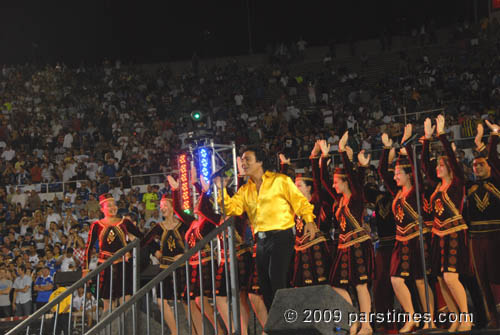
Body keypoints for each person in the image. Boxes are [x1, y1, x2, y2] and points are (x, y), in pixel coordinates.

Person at [215, 146, 317, 310]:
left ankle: (287, 319)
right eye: (242, 161)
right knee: (265, 285)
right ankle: (277, 322)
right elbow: (231, 209)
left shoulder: (280, 180)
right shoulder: (245, 190)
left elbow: (300, 201)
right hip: (261, 240)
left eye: (247, 159)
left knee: (276, 277)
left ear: (260, 161)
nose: (243, 163)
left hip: (281, 235)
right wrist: (221, 191)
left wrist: (309, 221)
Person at [379, 126, 436, 331]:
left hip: (416, 239)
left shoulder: (415, 190)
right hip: (400, 241)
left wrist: (406, 145)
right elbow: (380, 171)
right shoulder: (398, 191)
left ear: (409, 176)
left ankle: (429, 319)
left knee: (421, 282)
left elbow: (416, 165)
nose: (394, 177)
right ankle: (412, 316)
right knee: (396, 279)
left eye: (398, 174)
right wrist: (386, 149)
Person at [320, 132, 374, 335]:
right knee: (336, 285)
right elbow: (323, 182)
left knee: (361, 285)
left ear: (345, 182)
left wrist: (342, 152)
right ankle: (353, 321)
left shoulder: (357, 197)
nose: (333, 185)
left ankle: (366, 325)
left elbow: (353, 176)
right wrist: (323, 158)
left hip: (358, 244)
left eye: (337, 182)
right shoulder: (339, 199)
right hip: (343, 246)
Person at [422, 115, 472, 332]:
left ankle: (466, 317)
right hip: (438, 235)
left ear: (450, 168)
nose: (438, 168)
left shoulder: (457, 183)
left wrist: (441, 136)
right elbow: (425, 165)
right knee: (442, 280)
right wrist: (426, 139)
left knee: (451, 277)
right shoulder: (437, 186)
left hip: (454, 233)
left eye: (442, 165)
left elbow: (451, 158)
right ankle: (456, 318)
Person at [142, 176, 191, 335]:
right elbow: (146, 240)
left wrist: (184, 254)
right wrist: (156, 251)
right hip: (165, 267)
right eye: (160, 206)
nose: (161, 208)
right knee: (161, 300)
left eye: (164, 205)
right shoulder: (158, 226)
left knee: (185, 300)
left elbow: (192, 240)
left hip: (182, 266)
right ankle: (175, 331)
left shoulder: (182, 224)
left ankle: (193, 330)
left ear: (171, 207)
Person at [83, 193, 143, 312]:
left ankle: (127, 328)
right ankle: (109, 330)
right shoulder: (96, 225)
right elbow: (88, 248)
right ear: (102, 209)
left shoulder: (124, 222)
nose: (113, 207)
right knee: (107, 304)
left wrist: (131, 249)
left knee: (126, 300)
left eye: (114, 204)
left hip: (123, 264)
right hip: (104, 266)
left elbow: (142, 238)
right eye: (109, 205)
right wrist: (85, 270)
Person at [466, 122, 500, 327]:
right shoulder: (469, 187)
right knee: (482, 280)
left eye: (481, 164)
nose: (477, 168)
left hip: (496, 234)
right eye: (474, 165)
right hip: (475, 237)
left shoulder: (496, 181)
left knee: (497, 277)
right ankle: (492, 319)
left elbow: (494, 160)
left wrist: (493, 137)